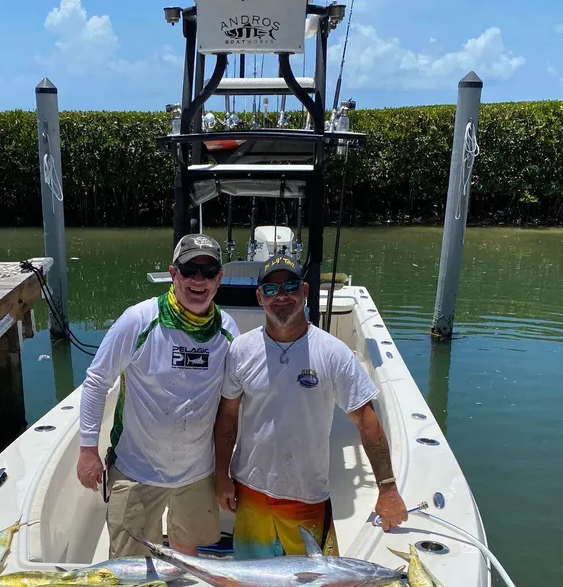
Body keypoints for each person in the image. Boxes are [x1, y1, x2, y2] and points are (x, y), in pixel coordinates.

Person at [214, 253, 408, 559]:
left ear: (305, 292)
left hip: (306, 495)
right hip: (250, 491)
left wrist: (387, 489)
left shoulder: (333, 353)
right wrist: (222, 475)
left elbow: (367, 423)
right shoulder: (241, 349)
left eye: (290, 286)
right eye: (270, 290)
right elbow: (227, 418)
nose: (281, 297)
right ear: (259, 298)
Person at [78, 234, 238, 557]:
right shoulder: (139, 321)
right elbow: (96, 380)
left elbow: (231, 406)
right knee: (130, 568)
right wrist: (87, 450)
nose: (198, 280)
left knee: (186, 557)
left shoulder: (228, 332)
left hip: (196, 472)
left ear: (219, 280)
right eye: (189, 270)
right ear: (173, 273)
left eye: (208, 272)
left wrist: (224, 473)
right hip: (138, 469)